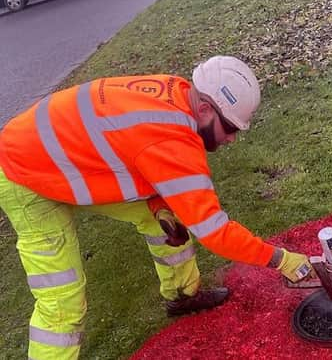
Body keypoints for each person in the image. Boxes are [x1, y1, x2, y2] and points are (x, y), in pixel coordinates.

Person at [0, 56, 314, 360]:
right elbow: (215, 232)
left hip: (65, 157)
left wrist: (159, 206)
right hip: (21, 171)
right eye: (230, 128)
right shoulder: (172, 141)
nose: (231, 139)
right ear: (204, 108)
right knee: (61, 302)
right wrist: (282, 259)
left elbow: (139, 155)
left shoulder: (177, 93)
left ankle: (181, 295)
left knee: (169, 218)